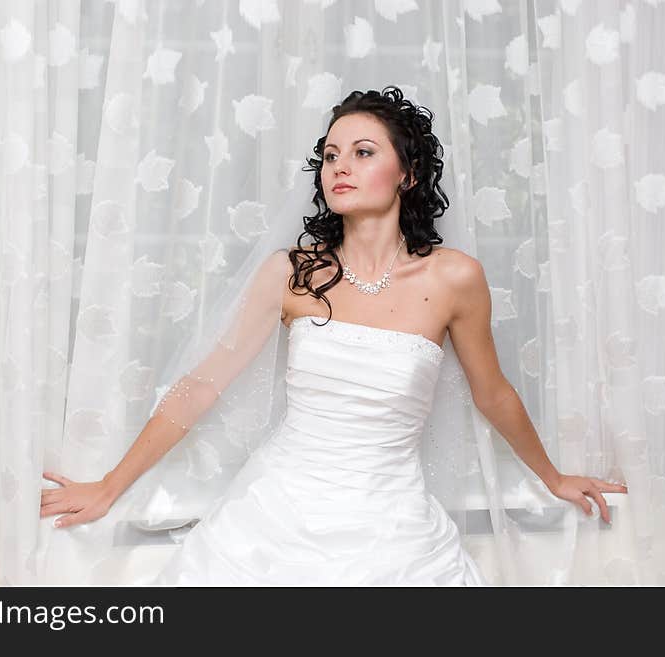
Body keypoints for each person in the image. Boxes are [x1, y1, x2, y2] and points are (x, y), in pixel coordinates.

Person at [39, 86, 628, 585]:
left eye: (363, 152)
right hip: (274, 518)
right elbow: (202, 385)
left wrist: (553, 478)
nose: (339, 166)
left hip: (394, 528)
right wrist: (110, 485)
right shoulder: (291, 272)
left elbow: (493, 392)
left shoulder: (455, 277)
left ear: (408, 173)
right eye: (330, 155)